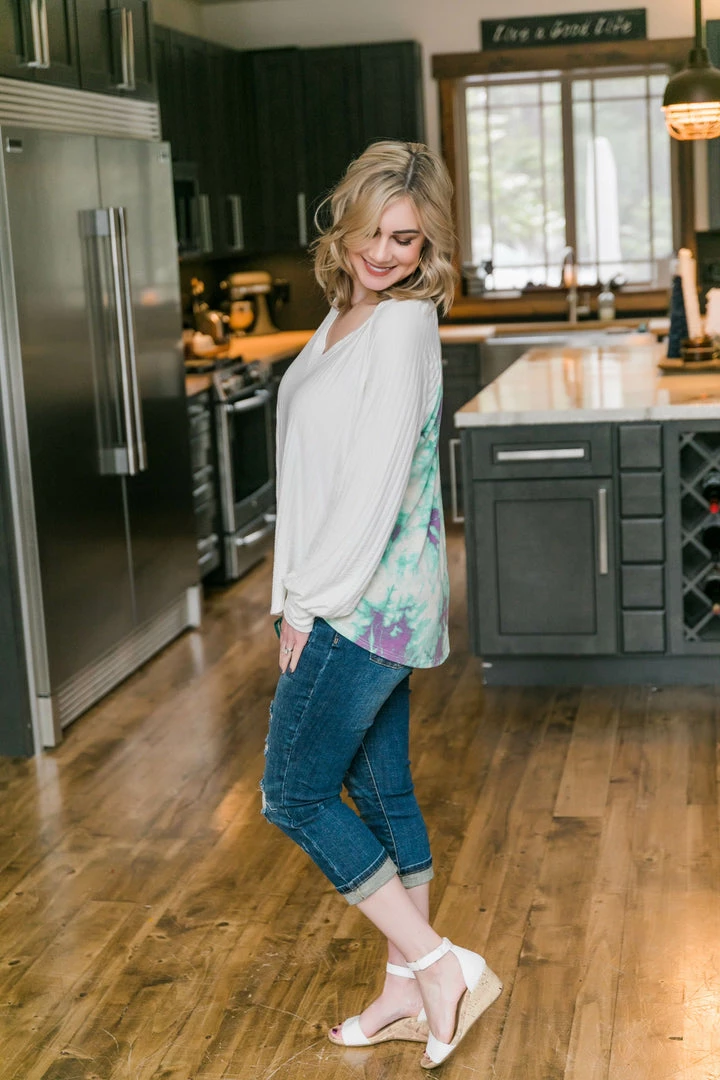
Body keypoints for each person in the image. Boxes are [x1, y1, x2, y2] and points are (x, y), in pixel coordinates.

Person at [261, 140, 501, 1070]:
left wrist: (307, 605)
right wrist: (287, 592)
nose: (385, 253)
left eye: (406, 239)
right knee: (381, 789)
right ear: (346, 223)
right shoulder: (345, 312)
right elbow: (311, 474)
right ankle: (405, 992)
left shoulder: (403, 325)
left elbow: (371, 489)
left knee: (294, 793)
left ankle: (438, 966)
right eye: (372, 231)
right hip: (357, 600)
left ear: (428, 243)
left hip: (361, 606)